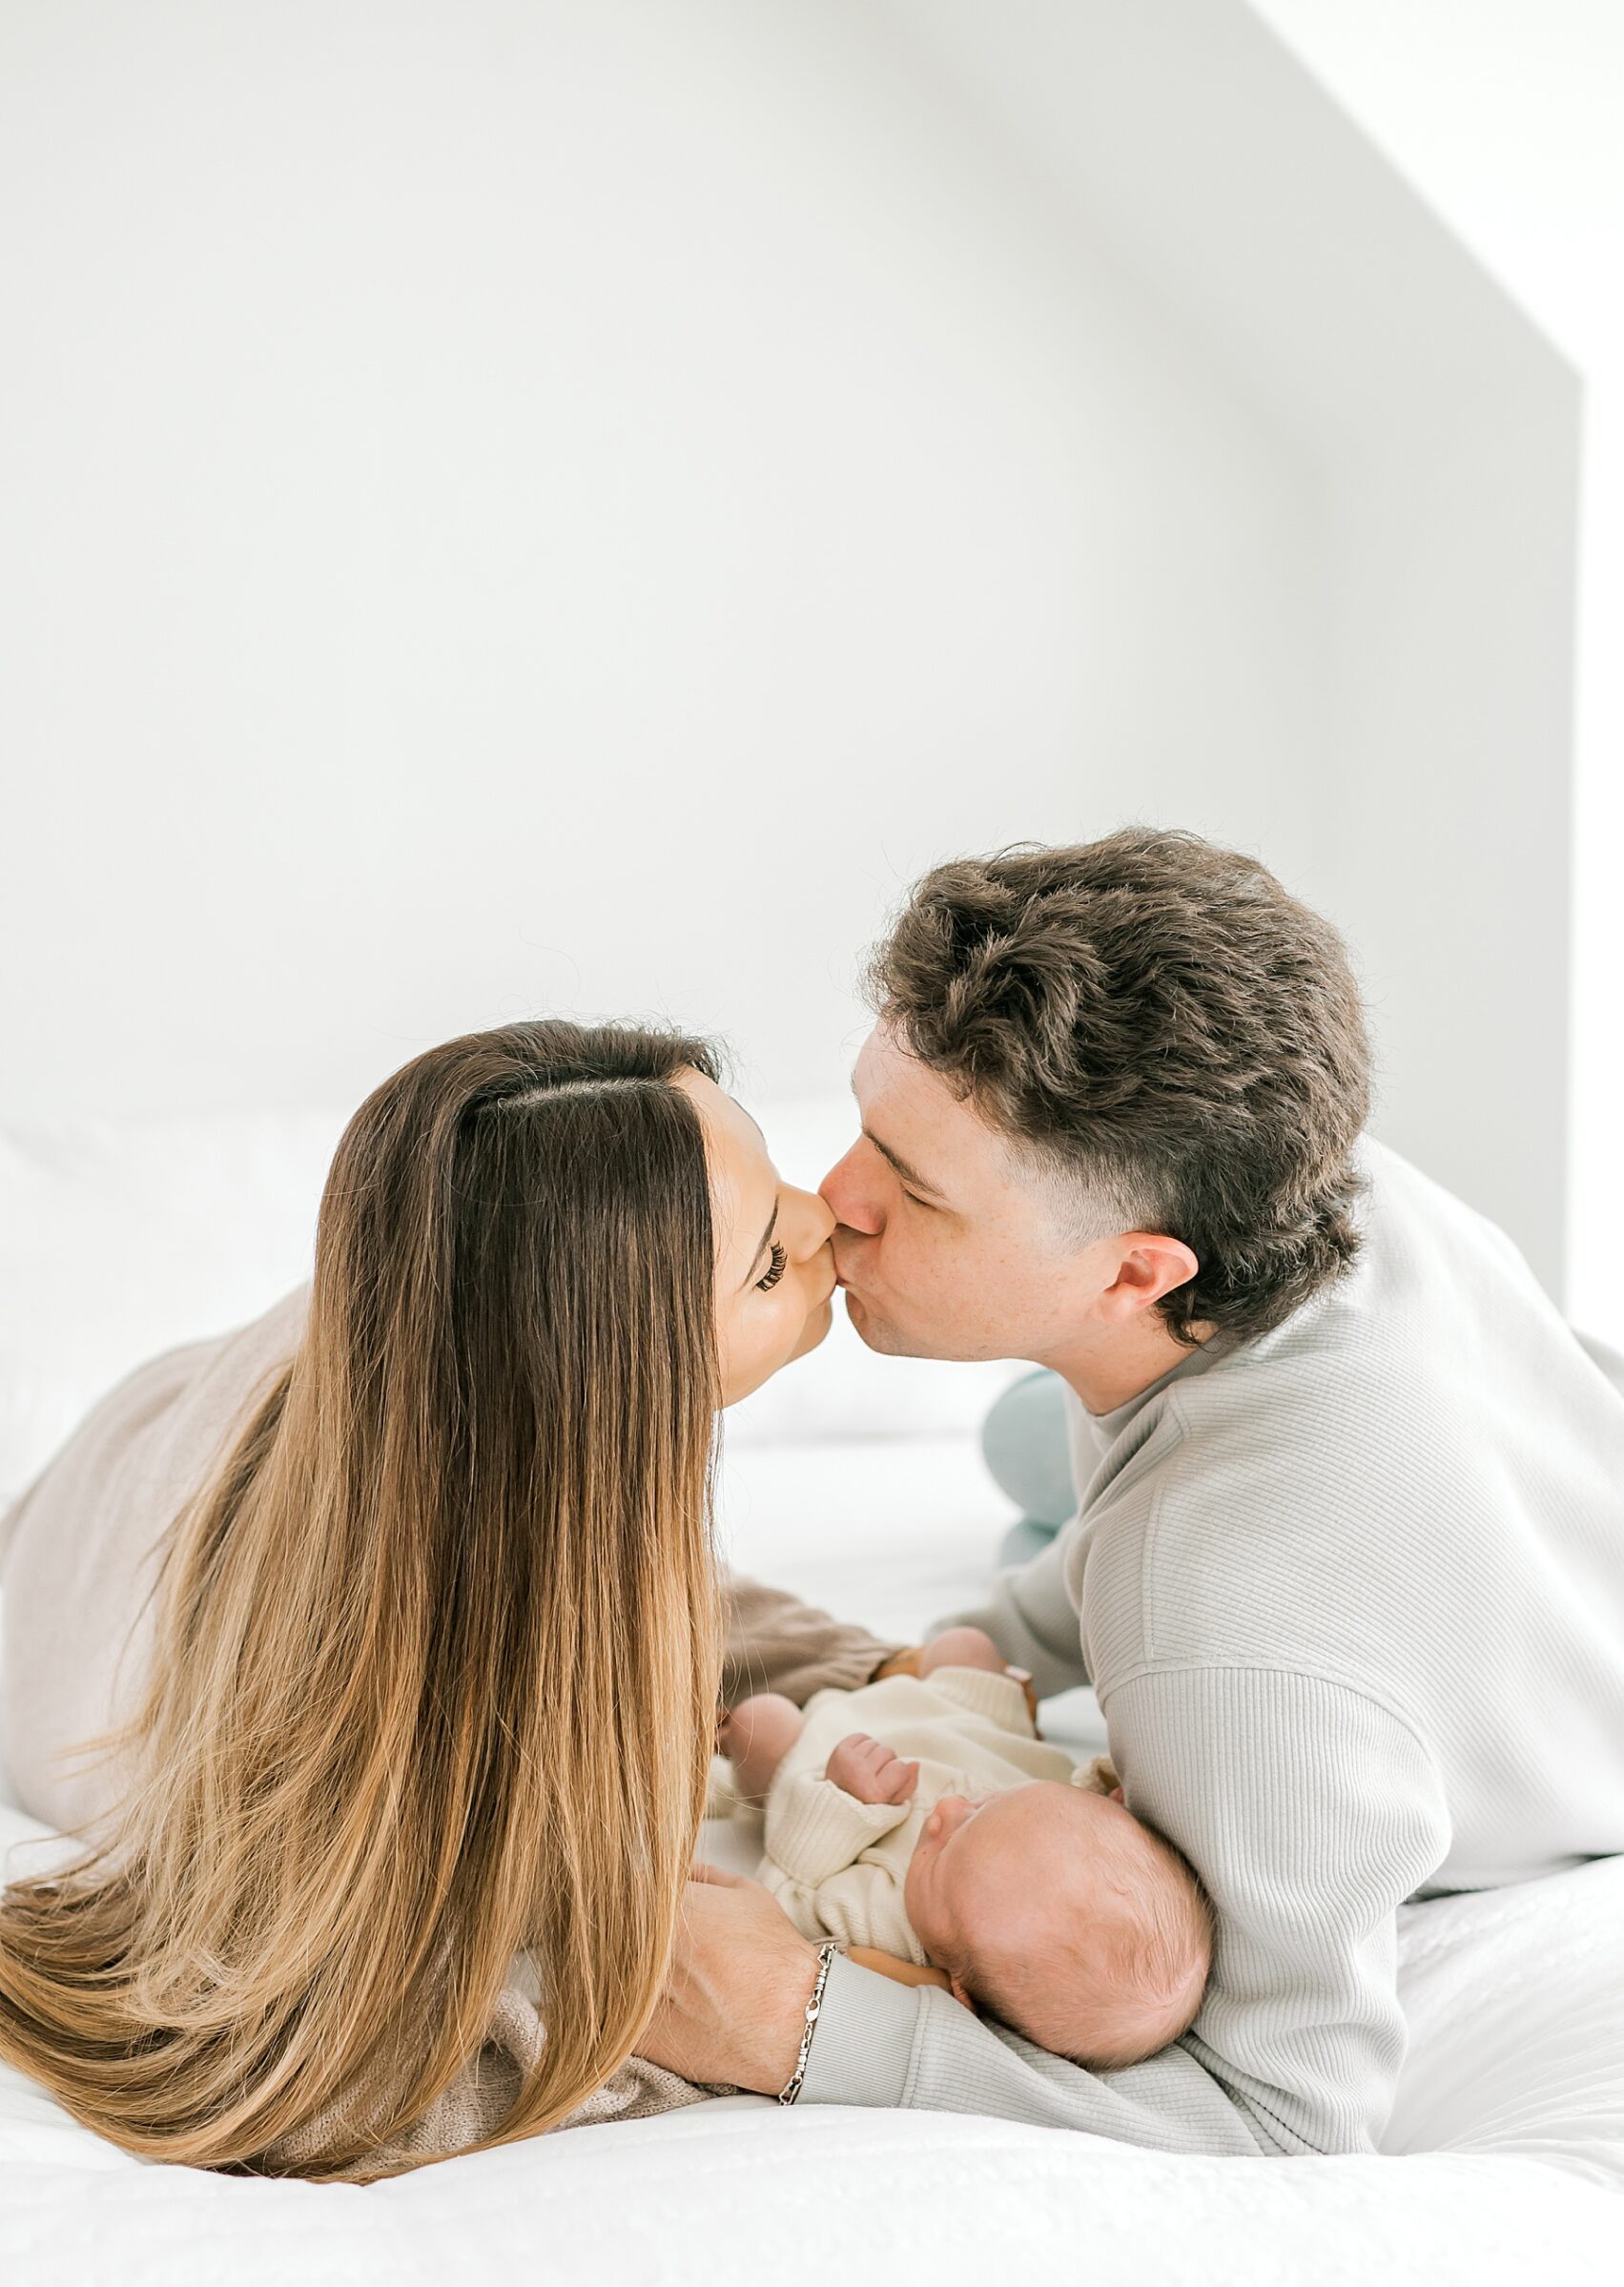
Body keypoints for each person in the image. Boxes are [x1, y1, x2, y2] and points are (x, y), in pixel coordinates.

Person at [641, 831, 1624, 2157]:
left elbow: (1283, 2114)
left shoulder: (1219, 1623)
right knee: (1013, 1453)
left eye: (915, 1192)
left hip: (1454, 1655)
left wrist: (789, 2018)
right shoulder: (1326, 1184)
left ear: (1134, 1273)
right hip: (1546, 1488)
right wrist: (991, 1636)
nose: (831, 1203)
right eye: (864, 1127)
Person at [0, 1020, 892, 2179]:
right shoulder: (337, 1679)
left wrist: (865, 1669)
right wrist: (761, 2022)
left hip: (197, 1412)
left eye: (774, 1175)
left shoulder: (448, 1261)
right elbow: (319, 2084)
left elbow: (636, 1580)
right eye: (767, 1262)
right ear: (609, 1379)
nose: (824, 1217)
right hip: (79, 1549)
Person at [717, 1628, 1211, 2070]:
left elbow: (786, 1892)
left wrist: (843, 1801)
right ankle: (901, 1668)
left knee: (761, 1721)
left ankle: (744, 1754)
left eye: (943, 1849)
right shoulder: (1071, 1833)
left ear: (956, 1984)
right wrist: (1104, 1789)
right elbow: (1041, 1764)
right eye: (987, 1806)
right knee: (967, 1645)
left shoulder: (881, 1929)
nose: (947, 1809)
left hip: (825, 1755)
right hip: (960, 1720)